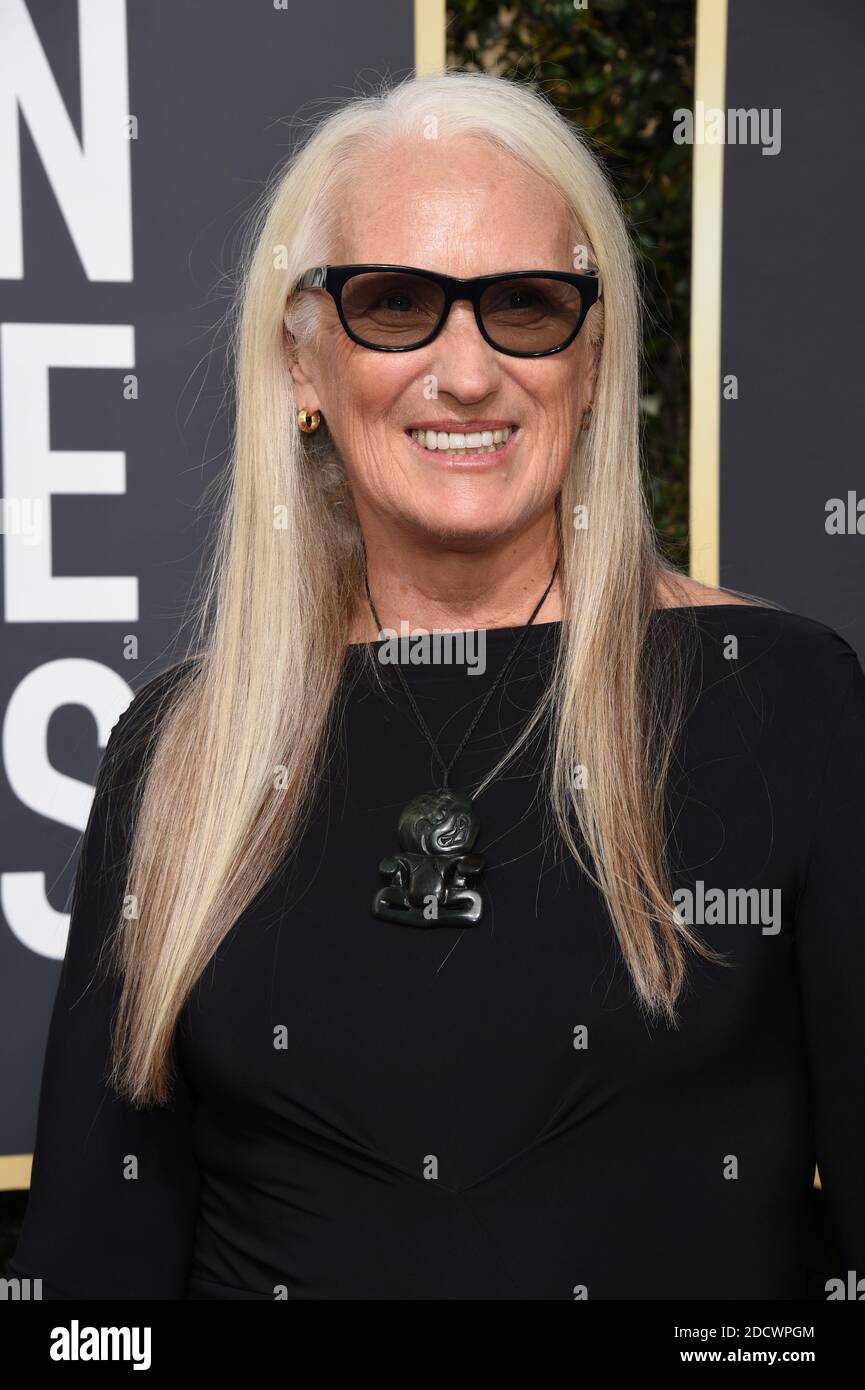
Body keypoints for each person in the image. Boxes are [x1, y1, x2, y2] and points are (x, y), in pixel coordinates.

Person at [7, 70, 864, 1300]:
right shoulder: (184, 748)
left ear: (592, 354)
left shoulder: (780, 698)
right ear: (303, 363)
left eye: (523, 305)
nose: (465, 374)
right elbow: (95, 1279)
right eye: (395, 303)